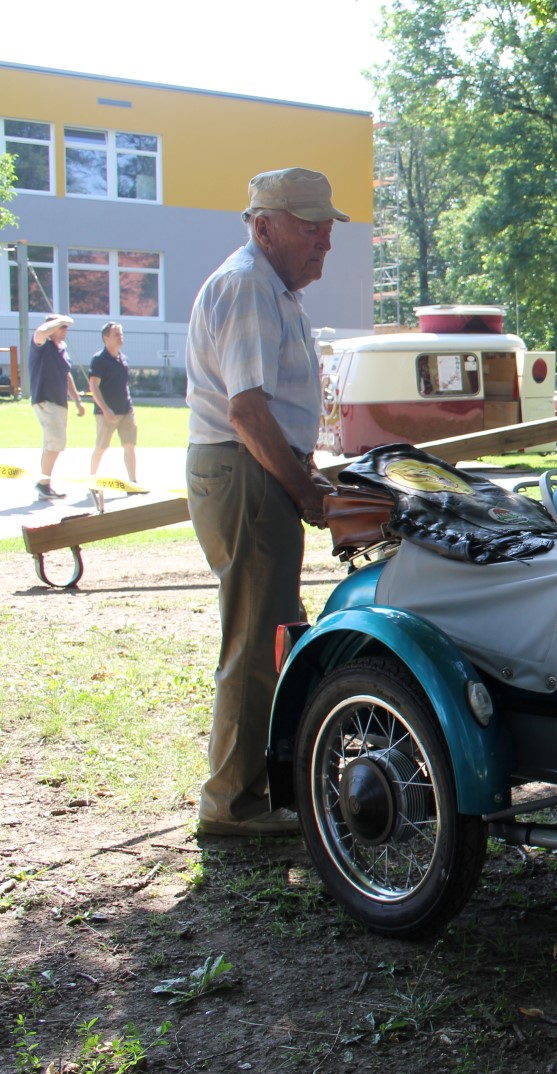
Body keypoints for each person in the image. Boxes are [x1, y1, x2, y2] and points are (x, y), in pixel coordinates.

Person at [185, 167, 346, 837]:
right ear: (264, 227)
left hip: (253, 469)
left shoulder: (268, 286)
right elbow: (247, 412)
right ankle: (231, 801)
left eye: (328, 230)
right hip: (246, 469)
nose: (325, 245)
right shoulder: (250, 286)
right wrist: (304, 488)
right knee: (257, 639)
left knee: (273, 628)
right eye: (311, 231)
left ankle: (264, 785)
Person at [29, 313, 86, 499]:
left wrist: (77, 400)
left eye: (65, 328)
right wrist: (61, 320)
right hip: (46, 399)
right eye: (61, 328)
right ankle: (43, 484)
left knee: (51, 443)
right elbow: (39, 332)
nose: (64, 332)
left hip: (60, 402)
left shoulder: (62, 349)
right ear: (52, 328)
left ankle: (45, 485)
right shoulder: (42, 345)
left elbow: (66, 376)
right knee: (55, 442)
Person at [88, 321, 138, 483]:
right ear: (106, 337)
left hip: (126, 410)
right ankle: (92, 479)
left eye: (121, 334)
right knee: (102, 447)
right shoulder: (99, 360)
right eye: (116, 334)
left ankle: (133, 482)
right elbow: (94, 386)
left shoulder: (123, 359)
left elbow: (124, 385)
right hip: (106, 413)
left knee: (129, 446)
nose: (120, 337)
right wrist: (105, 408)